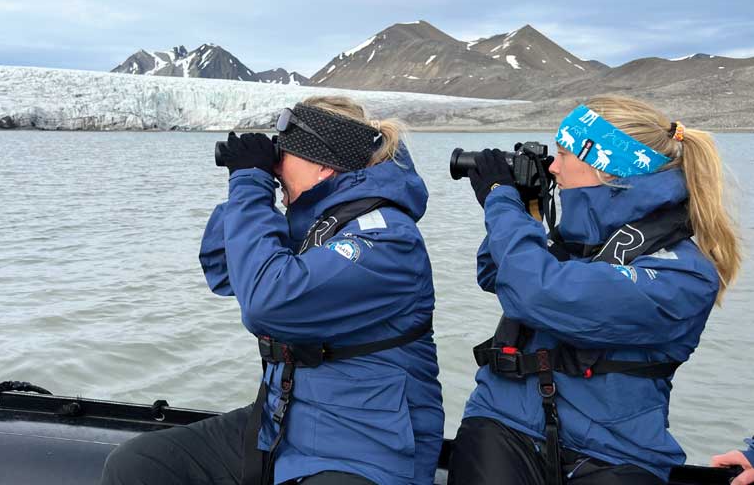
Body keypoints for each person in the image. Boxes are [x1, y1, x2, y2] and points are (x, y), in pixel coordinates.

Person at [101, 96, 444, 485]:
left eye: (286, 153)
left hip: (364, 447)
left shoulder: (387, 240)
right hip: (282, 426)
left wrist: (252, 182)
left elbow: (267, 303)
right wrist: (248, 183)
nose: (276, 163)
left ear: (323, 166)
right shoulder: (311, 228)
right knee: (138, 465)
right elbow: (223, 270)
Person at [448, 95, 740, 484]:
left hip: (613, 451)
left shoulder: (684, 274)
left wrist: (500, 202)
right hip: (504, 422)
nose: (552, 166)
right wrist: (527, 208)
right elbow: (493, 274)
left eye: (564, 155)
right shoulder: (575, 239)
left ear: (605, 169)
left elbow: (537, 293)